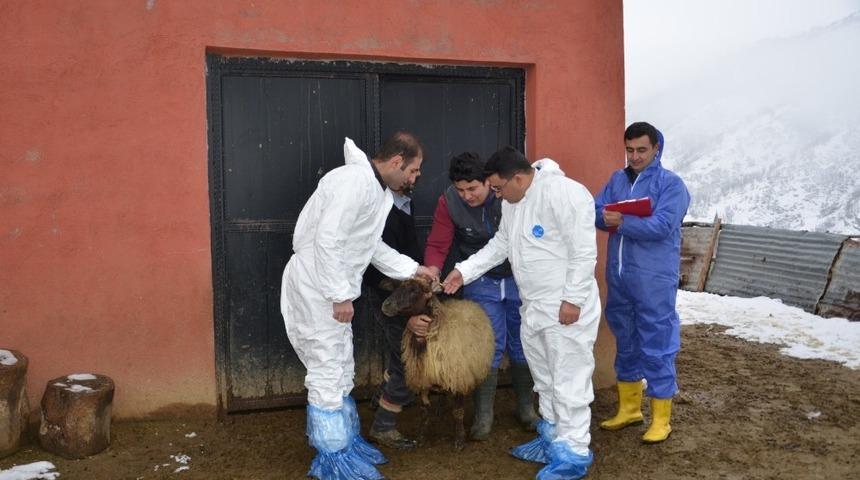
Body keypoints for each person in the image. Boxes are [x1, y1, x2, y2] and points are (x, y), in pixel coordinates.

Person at [280, 133, 435, 480]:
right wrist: (339, 294)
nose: (414, 179)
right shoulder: (354, 182)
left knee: (339, 363)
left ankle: (345, 442)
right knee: (326, 366)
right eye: (413, 171)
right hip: (317, 286)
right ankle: (333, 457)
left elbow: (371, 247)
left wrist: (414, 269)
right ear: (396, 161)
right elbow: (329, 238)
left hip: (331, 285)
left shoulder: (374, 190)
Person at [442, 147, 600, 480]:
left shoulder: (566, 194)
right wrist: (463, 271)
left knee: (568, 378)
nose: (495, 195)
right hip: (534, 306)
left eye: (498, 188)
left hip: (565, 307)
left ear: (518, 177)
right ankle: (553, 438)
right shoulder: (513, 204)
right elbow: (500, 246)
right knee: (544, 378)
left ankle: (573, 454)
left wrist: (572, 300)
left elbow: (584, 252)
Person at [424, 152, 538, 440]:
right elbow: (439, 242)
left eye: (472, 189)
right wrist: (432, 272)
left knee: (523, 339)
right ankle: (484, 413)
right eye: (460, 190)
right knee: (487, 342)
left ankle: (526, 408)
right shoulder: (448, 202)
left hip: (517, 277)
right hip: (478, 278)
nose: (466, 196)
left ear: (489, 182)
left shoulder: (510, 196)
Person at [595, 122, 690, 444]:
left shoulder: (671, 185)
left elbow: (663, 226)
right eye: (630, 150)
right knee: (626, 340)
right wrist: (603, 217)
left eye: (641, 150)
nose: (634, 156)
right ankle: (630, 409)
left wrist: (622, 221)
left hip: (654, 279)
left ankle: (661, 419)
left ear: (656, 148)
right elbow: (596, 210)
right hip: (619, 277)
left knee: (658, 344)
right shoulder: (617, 180)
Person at [361, 182, 423, 449]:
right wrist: (406, 311)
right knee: (408, 361)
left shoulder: (404, 204)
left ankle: (381, 398)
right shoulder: (380, 212)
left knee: (401, 352)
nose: (416, 176)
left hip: (406, 293)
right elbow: (377, 269)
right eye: (412, 170)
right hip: (389, 294)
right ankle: (383, 426)